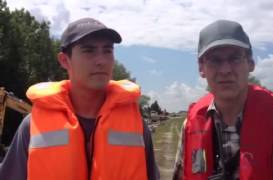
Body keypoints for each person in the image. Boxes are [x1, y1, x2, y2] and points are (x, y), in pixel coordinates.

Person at [0, 17, 159, 180]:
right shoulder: (32, 127)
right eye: (88, 50)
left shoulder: (136, 126)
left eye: (108, 50)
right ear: (64, 60)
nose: (101, 61)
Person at [173, 19, 273, 180]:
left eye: (235, 58)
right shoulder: (190, 125)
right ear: (201, 68)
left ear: (250, 63)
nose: (225, 70)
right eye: (215, 60)